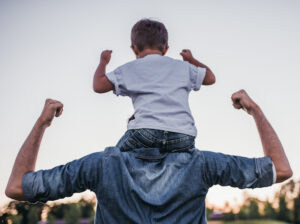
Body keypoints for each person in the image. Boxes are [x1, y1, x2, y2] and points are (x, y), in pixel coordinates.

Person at [5, 90, 292, 223]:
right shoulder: (201, 164)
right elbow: (280, 169)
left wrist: (42, 122)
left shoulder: (102, 165)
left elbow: (17, 186)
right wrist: (254, 109)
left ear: (132, 127)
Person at [93, 19, 216, 152]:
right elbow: (210, 78)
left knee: (115, 158)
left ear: (134, 49)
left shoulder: (129, 69)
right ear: (166, 49)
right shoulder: (183, 67)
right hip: (183, 136)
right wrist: (191, 60)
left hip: (146, 133)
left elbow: (98, 85)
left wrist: (103, 62)